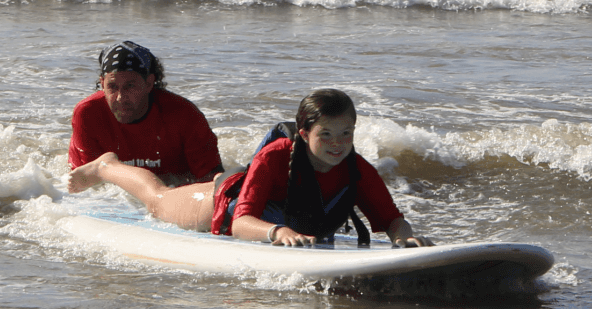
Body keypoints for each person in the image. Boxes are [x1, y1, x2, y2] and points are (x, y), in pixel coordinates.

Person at [70, 89, 432, 248]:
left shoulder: (356, 168)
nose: (337, 144)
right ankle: (106, 166)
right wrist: (277, 233)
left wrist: (402, 237)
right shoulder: (276, 156)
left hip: (277, 218)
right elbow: (242, 223)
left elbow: (391, 219)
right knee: (157, 199)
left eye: (346, 134)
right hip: (218, 205)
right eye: (326, 134)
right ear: (304, 134)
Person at [67, 41, 222, 188]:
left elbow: (211, 178)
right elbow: (89, 185)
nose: (120, 97)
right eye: (112, 86)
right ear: (102, 84)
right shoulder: (87, 113)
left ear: (149, 83)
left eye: (130, 86)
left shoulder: (184, 114)